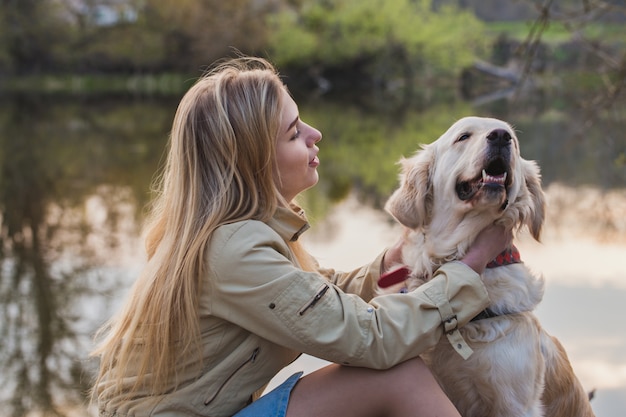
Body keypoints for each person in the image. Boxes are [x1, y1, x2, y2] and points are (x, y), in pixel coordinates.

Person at [91, 56, 510, 417]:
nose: (315, 135)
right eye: (293, 133)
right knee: (399, 375)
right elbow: (369, 338)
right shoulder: (233, 251)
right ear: (252, 161)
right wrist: (468, 268)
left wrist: (392, 262)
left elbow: (322, 297)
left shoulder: (244, 233)